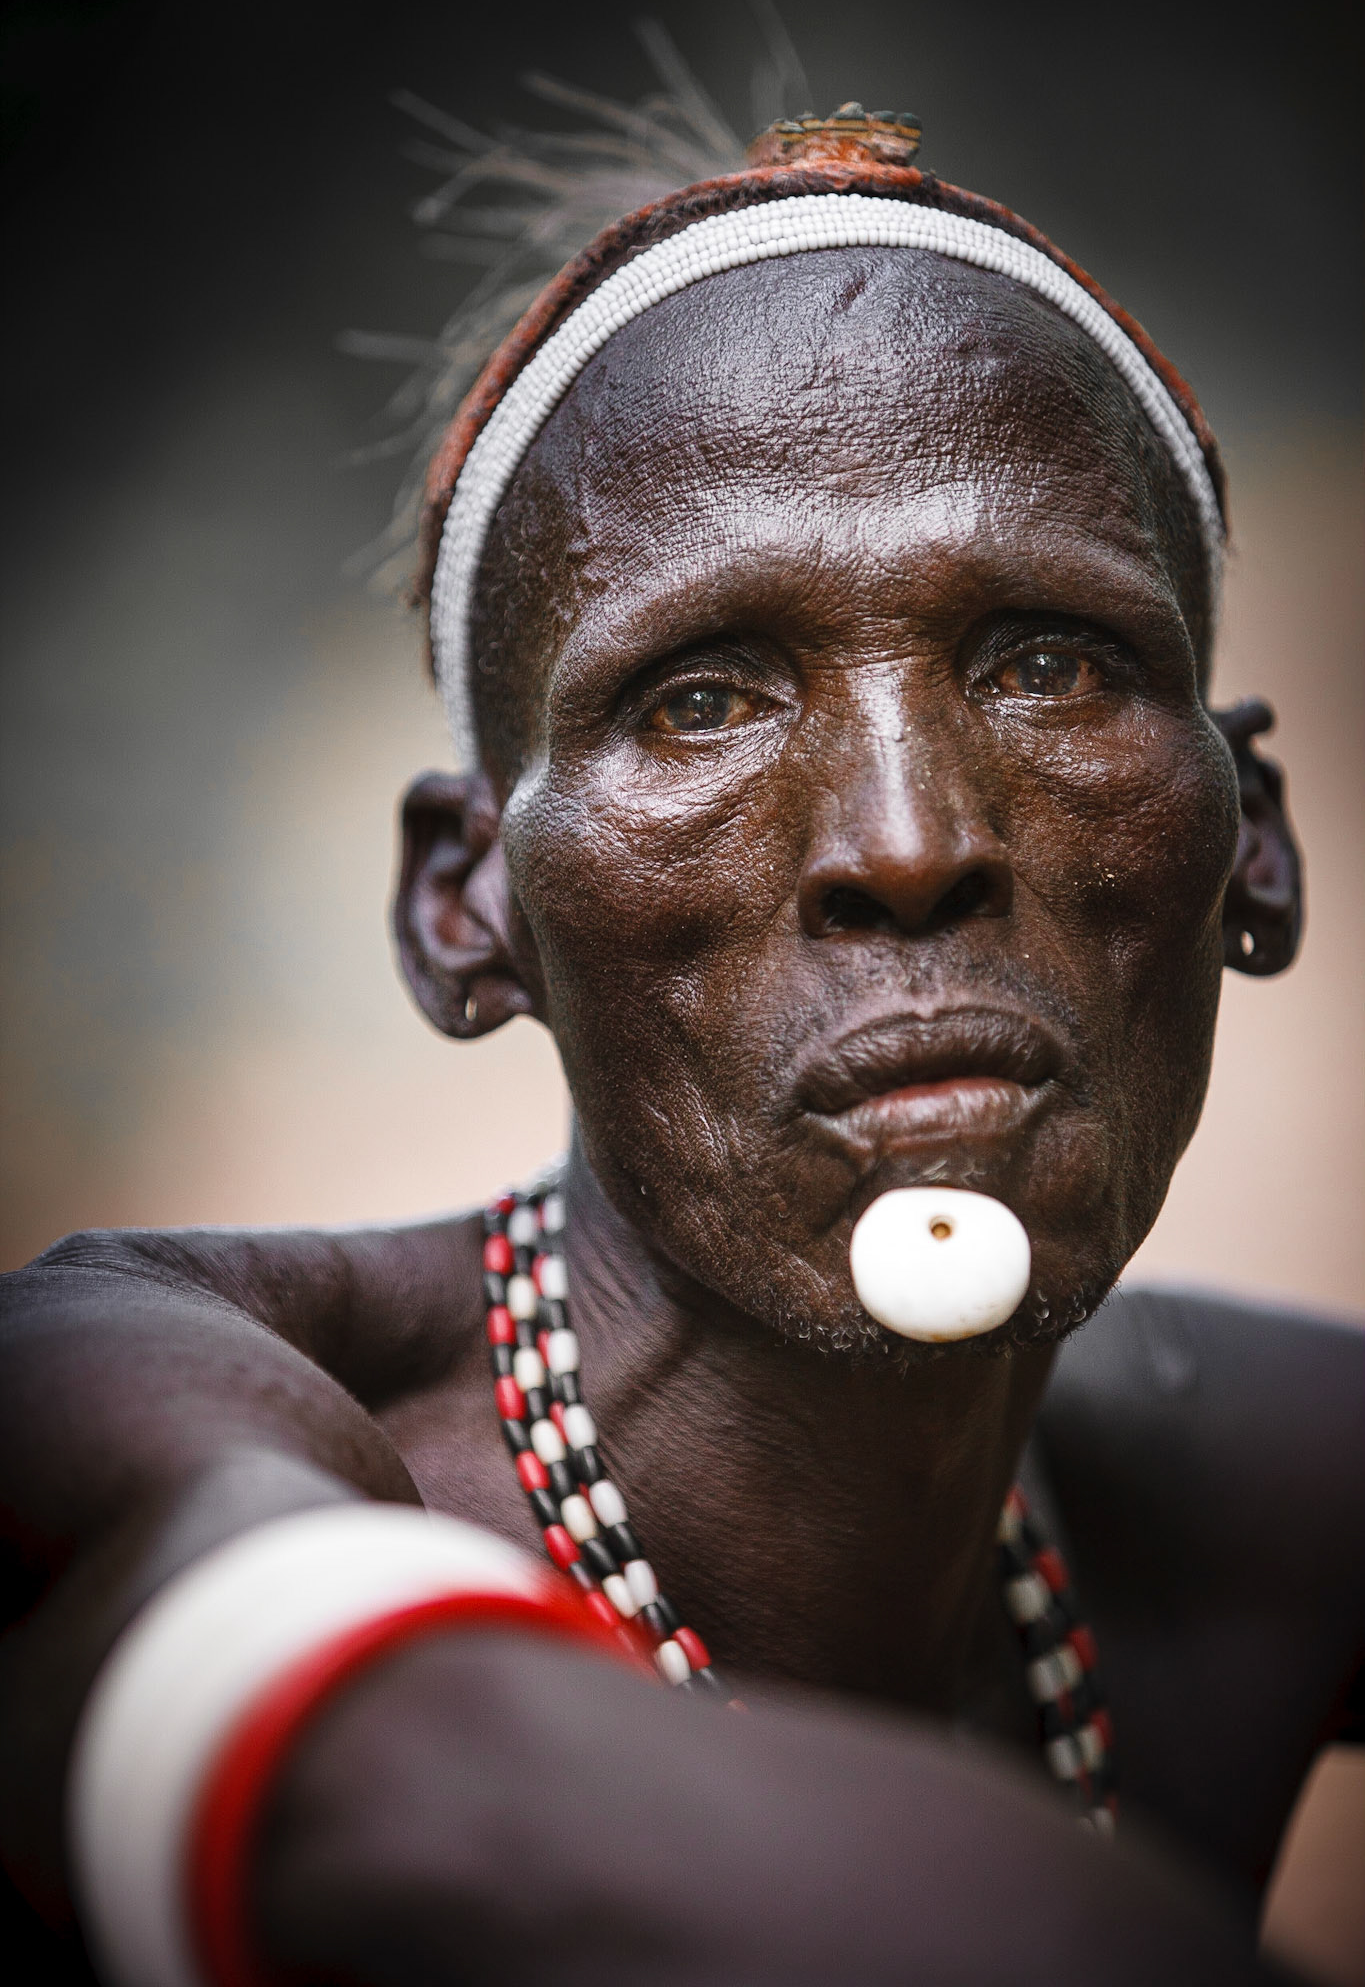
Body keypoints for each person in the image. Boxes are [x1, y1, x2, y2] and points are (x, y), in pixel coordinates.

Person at [1, 96, 1361, 1987]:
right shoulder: (122, 1378)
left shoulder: (1273, 1483)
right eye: (701, 700)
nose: (906, 841)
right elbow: (379, 1783)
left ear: (1255, 846)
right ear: (463, 910)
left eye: (1046, 662)